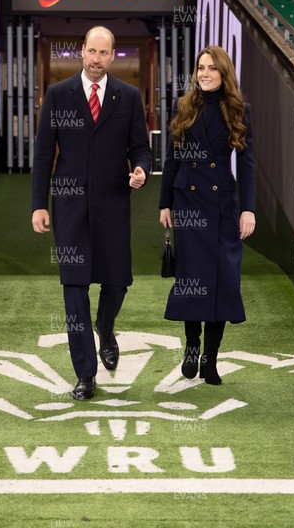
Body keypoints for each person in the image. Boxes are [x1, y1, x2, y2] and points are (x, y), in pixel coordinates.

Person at [32, 26, 152, 400]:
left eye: (104, 53)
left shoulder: (128, 96)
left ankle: (106, 324)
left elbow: (142, 148)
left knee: (117, 282)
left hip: (113, 206)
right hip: (68, 209)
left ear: (112, 56)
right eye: (91, 51)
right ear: (81, 52)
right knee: (74, 289)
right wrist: (38, 203)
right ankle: (85, 374)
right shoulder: (57, 95)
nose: (96, 59)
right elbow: (42, 154)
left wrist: (141, 169)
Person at [159, 45, 255, 385]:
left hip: (223, 208)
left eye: (212, 68)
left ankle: (210, 359)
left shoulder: (239, 109)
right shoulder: (183, 106)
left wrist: (248, 209)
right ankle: (191, 348)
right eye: (201, 67)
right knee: (192, 281)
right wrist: (164, 203)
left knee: (222, 282)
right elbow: (172, 158)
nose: (205, 73)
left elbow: (246, 164)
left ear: (224, 73)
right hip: (187, 204)